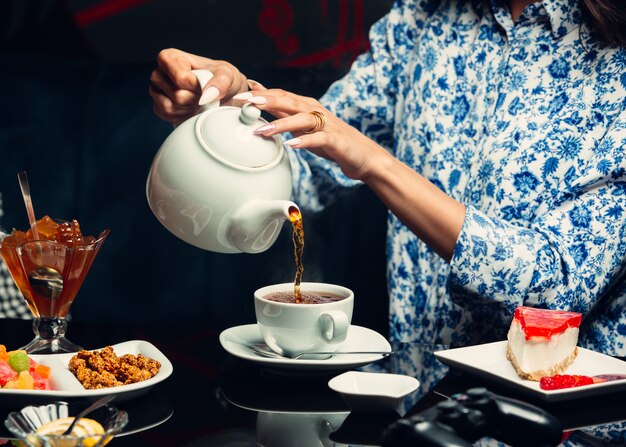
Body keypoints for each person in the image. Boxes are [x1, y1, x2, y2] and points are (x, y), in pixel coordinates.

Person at [150, 0, 625, 386]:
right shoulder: (423, 17)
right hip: (412, 397)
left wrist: (375, 163)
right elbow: (313, 157)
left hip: (560, 424)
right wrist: (227, 110)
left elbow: (554, 289)